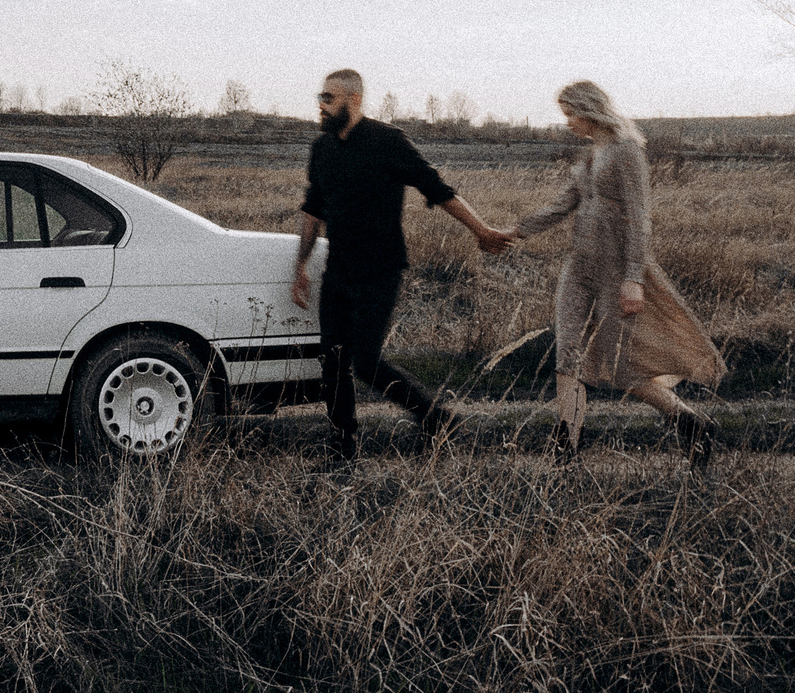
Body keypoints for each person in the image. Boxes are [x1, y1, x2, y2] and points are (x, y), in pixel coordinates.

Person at [501, 80, 723, 470]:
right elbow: (563, 204)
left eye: (570, 114)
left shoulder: (626, 152)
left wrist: (634, 276)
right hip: (578, 267)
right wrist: (514, 232)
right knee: (566, 351)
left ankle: (689, 422)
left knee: (620, 366)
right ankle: (566, 445)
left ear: (590, 111)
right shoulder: (589, 157)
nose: (567, 123)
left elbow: (639, 218)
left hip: (616, 270)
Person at [293, 68, 513, 461]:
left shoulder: (388, 142)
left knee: (366, 362)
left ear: (353, 100)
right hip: (338, 270)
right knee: (333, 360)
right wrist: (300, 268)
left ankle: (435, 417)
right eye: (320, 97)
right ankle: (342, 446)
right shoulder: (321, 149)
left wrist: (481, 229)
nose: (321, 105)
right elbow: (313, 209)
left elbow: (437, 188)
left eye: (328, 98)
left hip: (380, 269)